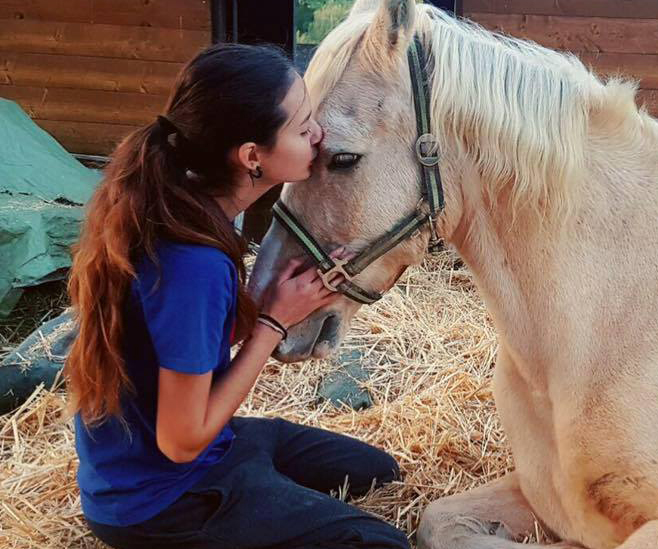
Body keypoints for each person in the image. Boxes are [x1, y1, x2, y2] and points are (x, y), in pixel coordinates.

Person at [64, 44, 409, 549]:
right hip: (161, 500)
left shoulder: (195, 203)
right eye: (303, 125)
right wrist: (273, 324)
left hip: (210, 449)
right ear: (252, 156)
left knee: (377, 472)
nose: (319, 135)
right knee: (382, 544)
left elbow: (186, 332)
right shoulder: (191, 262)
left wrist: (292, 299)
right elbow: (181, 442)